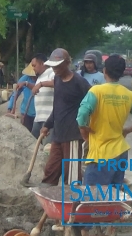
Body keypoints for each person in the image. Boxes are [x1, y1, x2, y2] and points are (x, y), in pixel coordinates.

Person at [76, 54, 132, 236]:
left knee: (89, 202)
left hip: (100, 154)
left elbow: (81, 117)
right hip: (120, 153)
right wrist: (127, 130)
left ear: (104, 71)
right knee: (112, 200)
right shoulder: (128, 95)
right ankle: (109, 234)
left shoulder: (96, 92)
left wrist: (85, 133)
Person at [40, 48, 91, 186]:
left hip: (73, 135)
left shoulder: (79, 82)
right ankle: (48, 201)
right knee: (51, 170)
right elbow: (57, 106)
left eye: (58, 65)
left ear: (67, 63)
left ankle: (72, 204)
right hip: (58, 134)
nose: (55, 68)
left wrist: (86, 123)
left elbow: (92, 99)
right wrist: (47, 124)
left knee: (72, 176)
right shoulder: (57, 79)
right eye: (53, 66)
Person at [27, 53, 55, 146]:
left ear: (42, 63)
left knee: (47, 146)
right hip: (38, 117)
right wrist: (26, 84)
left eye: (34, 65)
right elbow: (37, 88)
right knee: (33, 145)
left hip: (48, 118)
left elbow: (56, 83)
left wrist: (41, 84)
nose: (33, 68)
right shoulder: (40, 77)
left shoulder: (51, 72)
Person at [7, 63, 37, 132]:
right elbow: (15, 93)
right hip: (26, 113)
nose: (33, 77)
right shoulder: (25, 78)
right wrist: (10, 107)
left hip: (39, 114)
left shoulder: (43, 78)